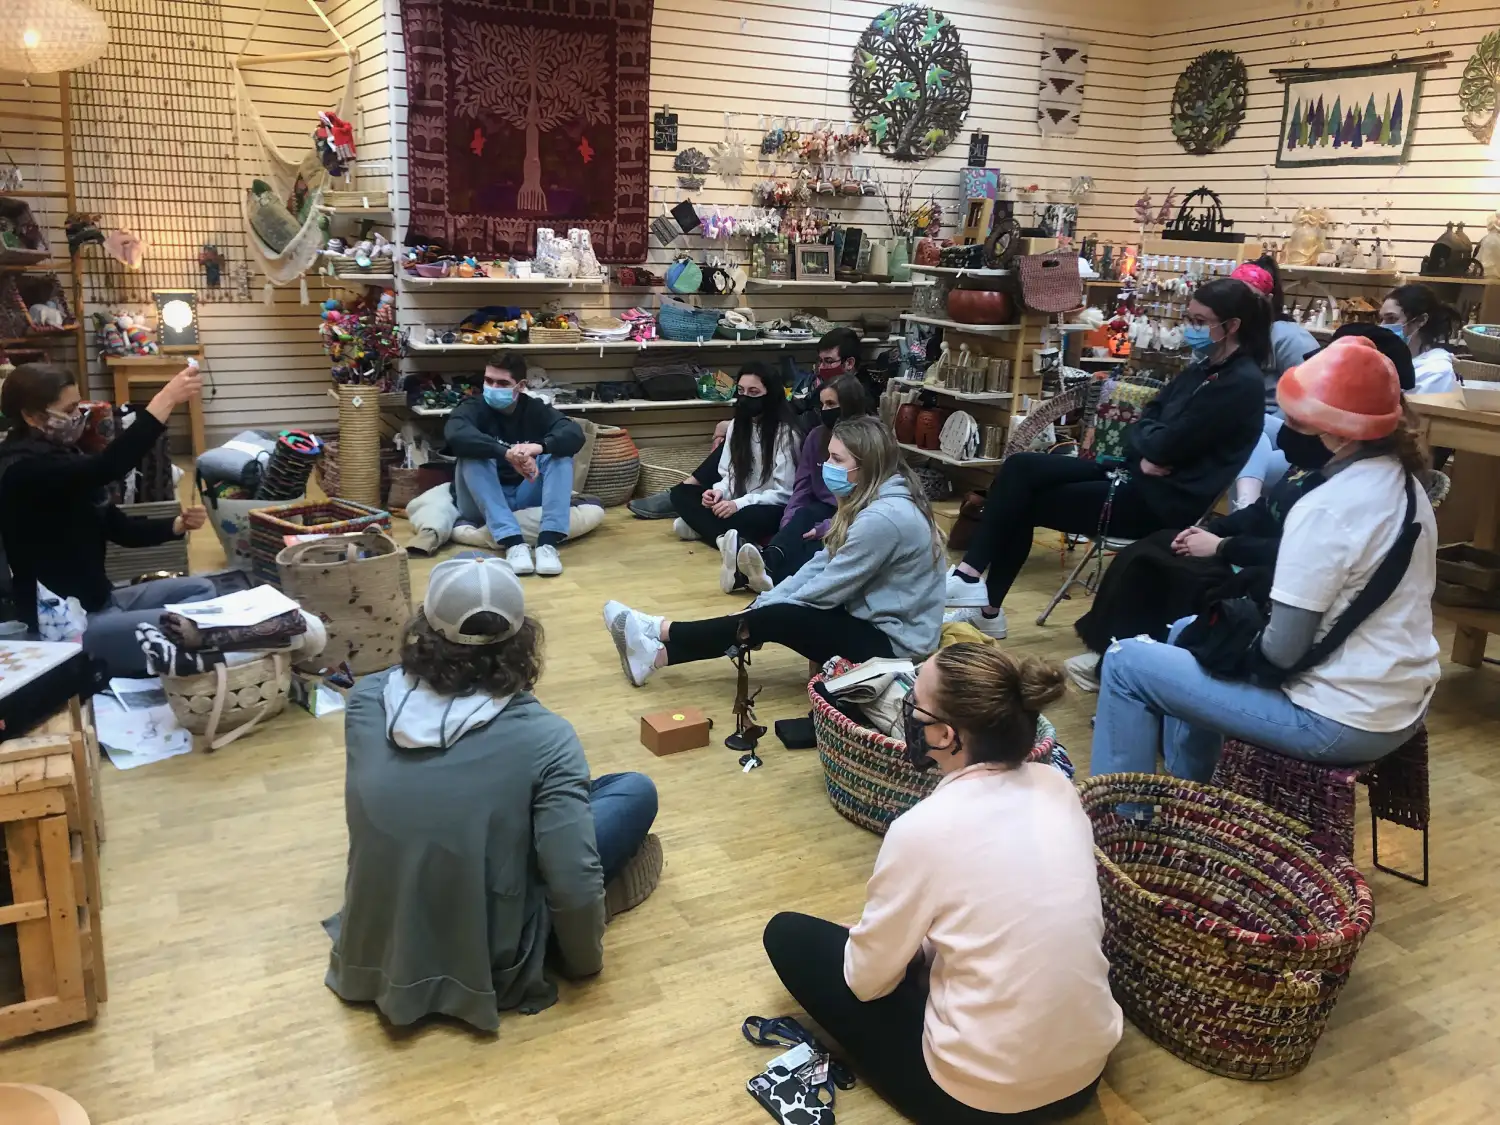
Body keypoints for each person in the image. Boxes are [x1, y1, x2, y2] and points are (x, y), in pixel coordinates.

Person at [763, 644, 1121, 1124]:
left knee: (788, 934)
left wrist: (887, 948)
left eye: (916, 702)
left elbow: (866, 983)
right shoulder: (1057, 786)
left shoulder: (922, 828)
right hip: (1083, 1077)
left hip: (976, 1105)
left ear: (946, 734)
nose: (909, 710)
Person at [326, 556, 663, 1032]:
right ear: (523, 640)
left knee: (574, 790)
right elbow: (574, 880)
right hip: (491, 951)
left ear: (423, 628)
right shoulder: (546, 737)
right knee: (634, 790)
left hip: (375, 938)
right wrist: (583, 965)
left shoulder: (367, 698)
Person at [1091, 335, 1440, 783]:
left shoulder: (1327, 506)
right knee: (1186, 632)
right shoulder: (1405, 484)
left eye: (1296, 421)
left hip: (1335, 718)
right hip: (1396, 701)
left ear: (1337, 430)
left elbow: (1280, 653)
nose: (1287, 431)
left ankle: (1121, 818)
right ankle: (1191, 795)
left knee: (1125, 662)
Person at [946, 277, 1267, 640]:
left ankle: (983, 603)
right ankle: (970, 580)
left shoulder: (1239, 385)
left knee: (1022, 501)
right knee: (1020, 467)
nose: (1190, 328)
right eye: (1188, 318)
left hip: (1160, 503)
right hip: (1133, 474)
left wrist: (1149, 442)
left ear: (1232, 325)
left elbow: (1166, 443)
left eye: (1199, 321)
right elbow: (1146, 420)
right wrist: (1147, 446)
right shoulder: (1202, 369)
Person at [605, 417, 945, 685]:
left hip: (895, 645)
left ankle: (662, 631)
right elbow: (821, 564)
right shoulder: (874, 500)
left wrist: (760, 612)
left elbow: (828, 589)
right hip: (874, 621)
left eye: (836, 458)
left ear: (866, 466)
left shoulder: (883, 518)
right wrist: (762, 604)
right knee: (772, 611)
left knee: (778, 617)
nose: (826, 464)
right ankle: (657, 655)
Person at [0, 362, 213, 677]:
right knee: (197, 627)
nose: (77, 417)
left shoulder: (63, 458)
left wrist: (176, 525)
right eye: (69, 410)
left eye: (78, 407)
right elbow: (107, 466)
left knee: (203, 591)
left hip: (104, 601)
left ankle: (134, 649)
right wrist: (166, 399)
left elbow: (118, 527)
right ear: (31, 416)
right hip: (73, 627)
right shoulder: (22, 471)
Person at [444, 350, 585, 577]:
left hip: (523, 493)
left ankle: (547, 544)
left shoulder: (535, 408)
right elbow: (455, 434)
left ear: (520, 386)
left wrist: (539, 448)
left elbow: (573, 433)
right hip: (479, 500)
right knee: (472, 451)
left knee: (560, 453)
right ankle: (513, 543)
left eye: (502, 383)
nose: (493, 387)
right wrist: (505, 453)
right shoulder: (471, 407)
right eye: (488, 380)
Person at [734, 373, 870, 595]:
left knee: (813, 546)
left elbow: (867, 503)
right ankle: (766, 564)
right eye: (822, 404)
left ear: (849, 404)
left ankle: (753, 574)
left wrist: (827, 527)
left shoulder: (870, 443)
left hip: (853, 513)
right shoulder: (817, 436)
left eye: (831, 404)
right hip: (820, 508)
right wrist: (788, 524)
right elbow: (802, 489)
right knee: (802, 517)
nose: (825, 410)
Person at [669, 363, 797, 560]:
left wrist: (738, 504)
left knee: (747, 517)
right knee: (680, 493)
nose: (745, 397)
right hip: (736, 501)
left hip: (765, 506)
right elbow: (729, 473)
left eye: (753, 392)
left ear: (770, 394)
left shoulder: (786, 433)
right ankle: (724, 539)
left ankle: (707, 529)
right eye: (741, 391)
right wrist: (718, 493)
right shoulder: (737, 426)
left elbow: (784, 494)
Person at [1381, 283, 1459, 394]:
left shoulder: (1435, 372)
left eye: (1392, 319)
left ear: (1421, 320)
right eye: (1382, 319)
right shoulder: (1399, 362)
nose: (1382, 326)